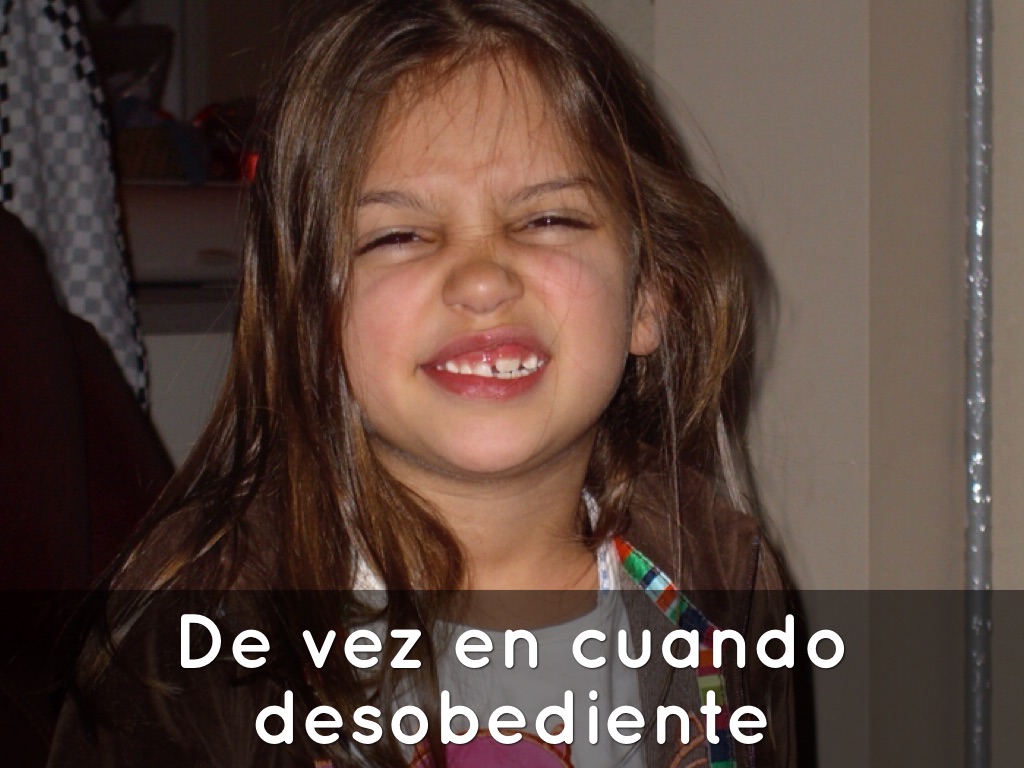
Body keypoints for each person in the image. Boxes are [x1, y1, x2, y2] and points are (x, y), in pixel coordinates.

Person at [48, 1, 793, 767]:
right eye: (397, 235)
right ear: (309, 318)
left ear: (649, 295)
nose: (481, 280)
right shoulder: (199, 624)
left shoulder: (721, 583)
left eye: (549, 220)